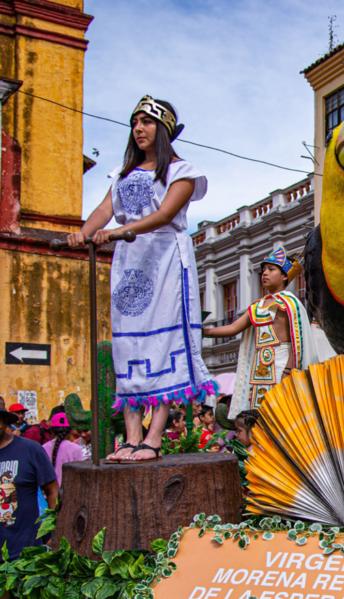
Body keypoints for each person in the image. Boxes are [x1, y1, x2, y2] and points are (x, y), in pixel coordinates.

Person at [67, 96, 216, 463]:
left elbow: (166, 214)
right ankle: (132, 438)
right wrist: (82, 233)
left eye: (147, 122)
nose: (138, 128)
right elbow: (105, 209)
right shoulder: (123, 173)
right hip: (130, 263)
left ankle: (153, 438)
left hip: (165, 259)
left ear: (163, 130)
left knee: (164, 345)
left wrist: (118, 232)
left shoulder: (181, 170)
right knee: (128, 347)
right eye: (135, 122)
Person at [203, 249, 318, 417]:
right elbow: (233, 328)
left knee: (282, 414)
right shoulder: (258, 306)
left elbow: (298, 341)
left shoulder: (290, 303)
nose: (265, 274)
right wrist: (202, 332)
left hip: (282, 367)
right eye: (263, 270)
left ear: (285, 276)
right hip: (259, 370)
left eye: (271, 270)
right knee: (258, 414)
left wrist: (288, 371)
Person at [0, 405, 58, 559]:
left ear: (5, 421)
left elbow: (53, 491)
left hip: (24, 552)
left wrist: (56, 533)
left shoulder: (30, 450)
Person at [41, 413, 84, 489]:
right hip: (69, 493)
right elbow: (81, 475)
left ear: (51, 430)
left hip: (47, 494)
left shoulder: (43, 448)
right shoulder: (75, 448)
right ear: (70, 431)